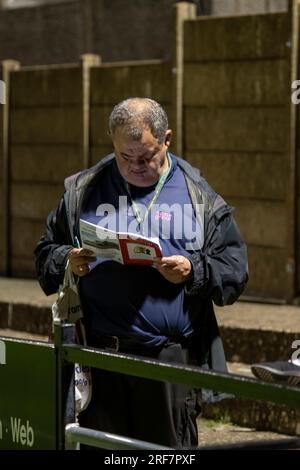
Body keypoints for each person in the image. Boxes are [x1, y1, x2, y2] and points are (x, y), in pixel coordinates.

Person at [34, 97, 248, 449]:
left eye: (146, 157)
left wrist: (194, 270)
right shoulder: (84, 189)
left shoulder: (197, 194)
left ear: (167, 139)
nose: (136, 166)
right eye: (125, 157)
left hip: (166, 360)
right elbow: (44, 252)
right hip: (99, 359)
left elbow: (235, 270)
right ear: (112, 142)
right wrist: (65, 260)